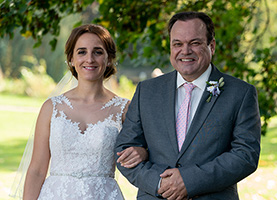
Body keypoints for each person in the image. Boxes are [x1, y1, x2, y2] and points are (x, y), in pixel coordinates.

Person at [115, 11, 261, 200]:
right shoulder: (147, 91)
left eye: (195, 43)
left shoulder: (240, 93)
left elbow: (245, 155)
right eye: (178, 44)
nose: (185, 51)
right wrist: (160, 184)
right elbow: (125, 151)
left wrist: (189, 181)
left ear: (212, 46)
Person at [20, 24, 147, 200]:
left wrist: (143, 152)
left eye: (98, 52)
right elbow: (36, 170)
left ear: (109, 59)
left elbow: (149, 149)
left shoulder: (125, 109)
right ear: (71, 59)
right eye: (81, 52)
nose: (89, 59)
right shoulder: (51, 108)